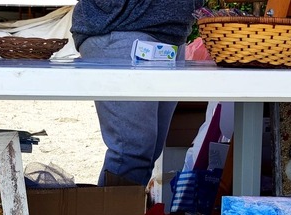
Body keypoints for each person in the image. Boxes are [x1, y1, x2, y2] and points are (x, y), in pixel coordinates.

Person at [70, 1, 203, 186]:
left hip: (168, 35)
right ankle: (112, 206)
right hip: (122, 27)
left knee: (145, 152)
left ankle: (121, 205)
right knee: (132, 152)